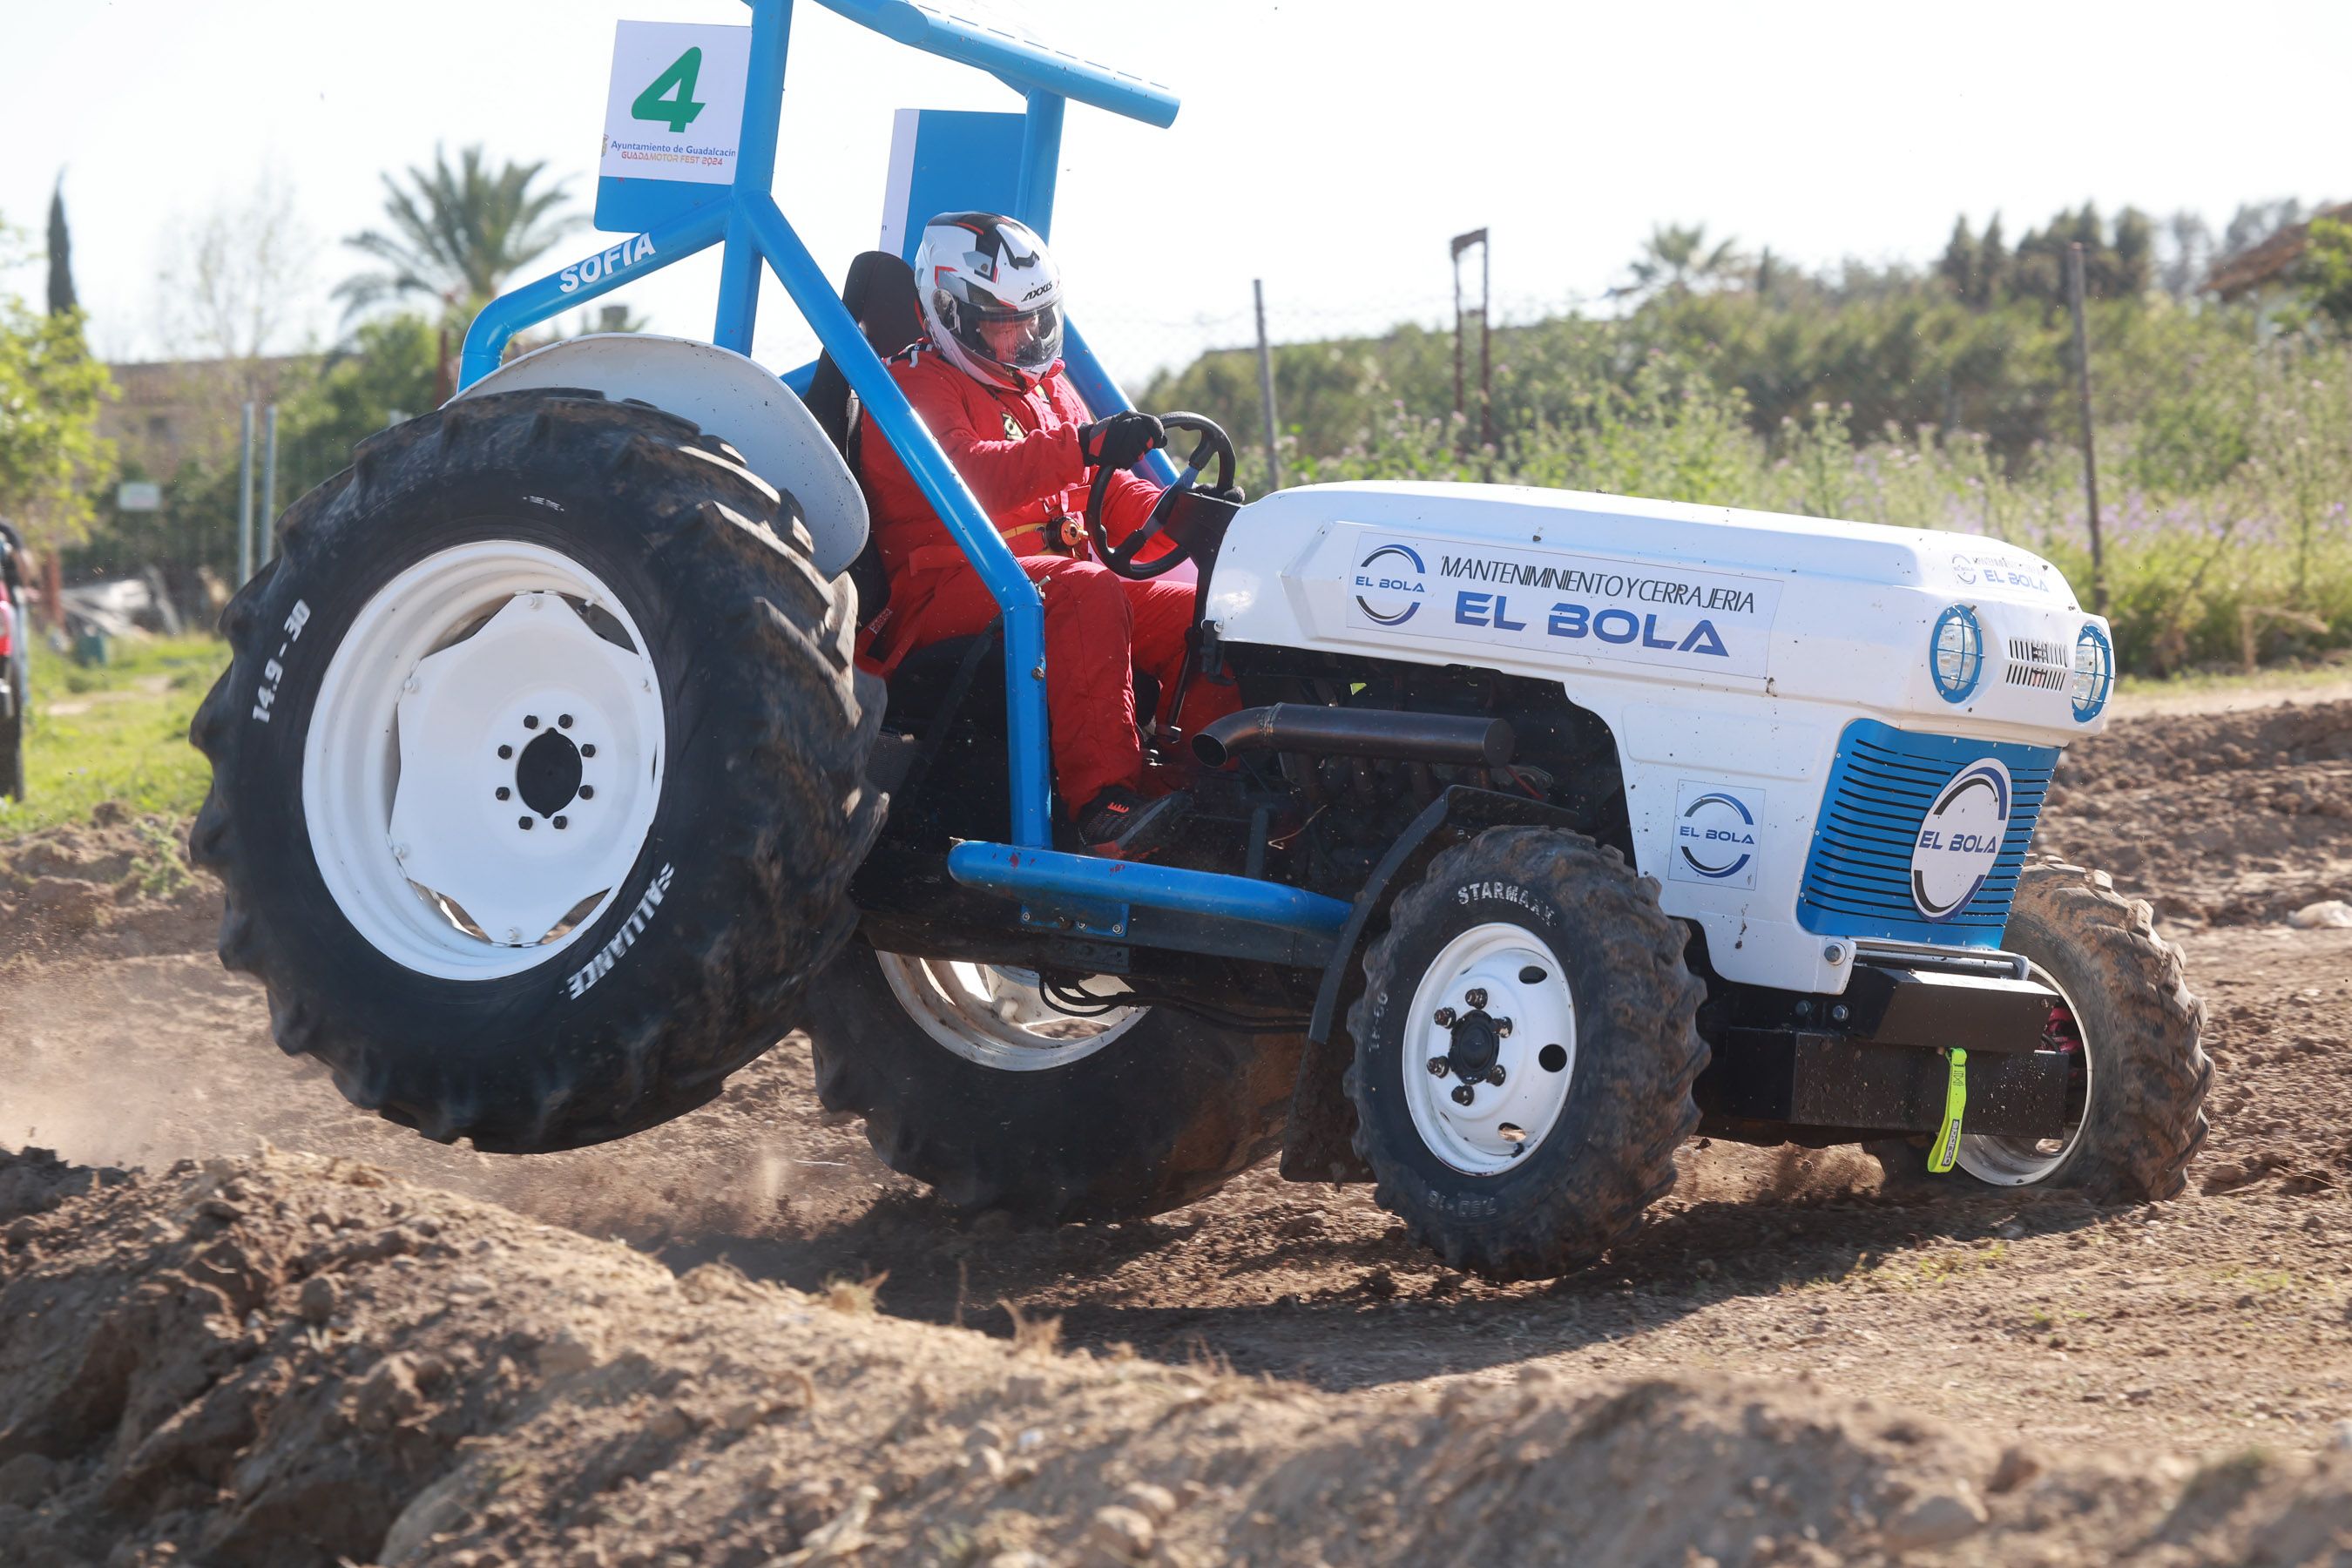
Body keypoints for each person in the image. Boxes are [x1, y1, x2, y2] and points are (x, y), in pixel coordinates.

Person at [855, 212, 1239, 855]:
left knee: (1198, 617)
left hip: (1040, 586)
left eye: (1034, 315)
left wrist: (1185, 513)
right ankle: (1107, 807)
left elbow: (1107, 493)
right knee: (1085, 591)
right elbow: (972, 476)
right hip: (948, 588)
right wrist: (1087, 443)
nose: (1028, 332)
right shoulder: (909, 385)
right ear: (953, 315)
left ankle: (1203, 795)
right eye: (1006, 321)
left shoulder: (1049, 390)